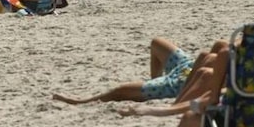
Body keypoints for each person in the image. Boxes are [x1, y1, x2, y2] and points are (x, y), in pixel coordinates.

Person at [53, 37, 224, 105]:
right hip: (188, 67)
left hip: (182, 85)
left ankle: (81, 102)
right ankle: (154, 81)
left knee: (120, 91)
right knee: (157, 42)